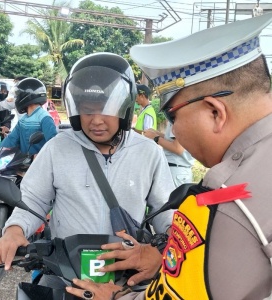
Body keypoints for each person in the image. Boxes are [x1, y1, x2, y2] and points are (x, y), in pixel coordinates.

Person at [65, 13, 272, 300]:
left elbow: (181, 294)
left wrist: (114, 298)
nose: (173, 130)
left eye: (172, 116)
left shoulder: (234, 200)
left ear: (215, 112)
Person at [0, 52, 175, 289]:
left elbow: (165, 213)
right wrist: (14, 230)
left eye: (106, 110)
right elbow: (33, 200)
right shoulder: (57, 148)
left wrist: (162, 251)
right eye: (87, 110)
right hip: (65, 273)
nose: (96, 120)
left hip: (127, 278)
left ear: (125, 108)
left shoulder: (149, 152)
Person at [0, 77, 57, 157]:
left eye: (17, 96)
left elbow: (53, 146)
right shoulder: (24, 119)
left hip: (40, 165)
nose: (15, 99)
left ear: (26, 96)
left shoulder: (44, 118)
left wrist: (39, 155)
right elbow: (11, 139)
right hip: (23, 163)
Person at [144, 122, 195, 187]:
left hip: (175, 171)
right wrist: (155, 133)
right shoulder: (186, 119)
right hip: (181, 170)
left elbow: (178, 149)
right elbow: (172, 140)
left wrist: (155, 137)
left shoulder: (178, 120)